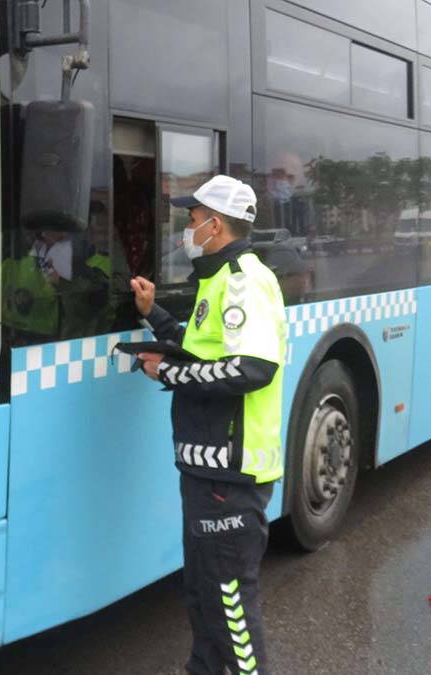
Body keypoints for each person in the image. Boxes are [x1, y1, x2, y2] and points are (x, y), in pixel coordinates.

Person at [130, 175, 287, 675]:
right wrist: (154, 315)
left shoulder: (244, 279)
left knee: (229, 604)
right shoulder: (216, 279)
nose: (186, 229)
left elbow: (253, 368)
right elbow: (203, 350)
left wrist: (169, 371)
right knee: (201, 596)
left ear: (215, 224)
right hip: (205, 468)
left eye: (192, 219)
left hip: (231, 475)